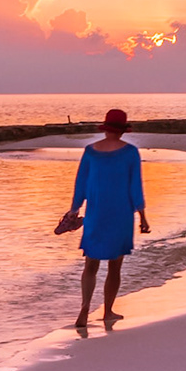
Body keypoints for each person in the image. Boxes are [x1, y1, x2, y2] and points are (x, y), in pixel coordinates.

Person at [60, 108, 150, 327]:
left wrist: (74, 210)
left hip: (96, 213)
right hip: (121, 214)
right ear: (123, 130)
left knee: (90, 265)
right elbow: (135, 187)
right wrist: (143, 216)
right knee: (114, 267)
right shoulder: (130, 152)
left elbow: (80, 184)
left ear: (106, 127)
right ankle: (108, 311)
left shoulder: (90, 151)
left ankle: (84, 308)